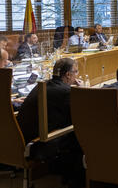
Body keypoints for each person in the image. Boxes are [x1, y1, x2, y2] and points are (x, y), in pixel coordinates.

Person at [16, 58, 84, 187]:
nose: (77, 75)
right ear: (68, 75)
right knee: (80, 134)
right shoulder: (65, 92)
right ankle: (76, 180)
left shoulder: (42, 85)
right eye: (76, 72)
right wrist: (84, 90)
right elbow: (80, 115)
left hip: (19, 140)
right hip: (38, 144)